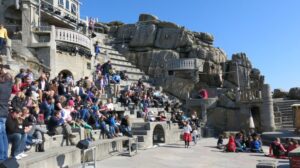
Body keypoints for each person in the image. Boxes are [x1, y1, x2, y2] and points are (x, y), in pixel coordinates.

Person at [0, 64, 13, 161]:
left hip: (0, 112)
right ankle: (4, 156)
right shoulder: (9, 84)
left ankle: (1, 157)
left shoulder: (2, 86)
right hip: (4, 112)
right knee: (3, 134)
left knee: (0, 135)